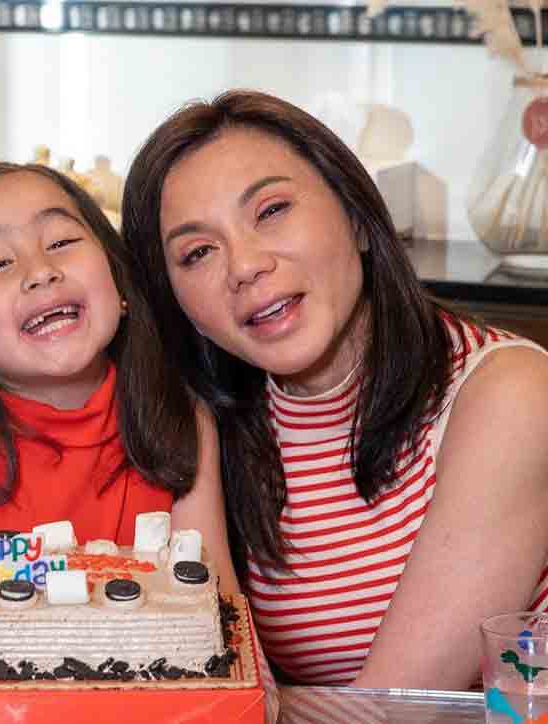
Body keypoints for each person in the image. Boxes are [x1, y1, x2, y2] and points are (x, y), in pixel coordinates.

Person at [121, 89, 548, 690]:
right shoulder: (211, 425)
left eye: (270, 210)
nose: (244, 265)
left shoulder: (508, 392)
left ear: (357, 217)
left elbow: (391, 706)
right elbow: (221, 690)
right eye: (197, 252)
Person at [0, 162, 236, 592]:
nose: (40, 271)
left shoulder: (180, 419)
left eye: (62, 241)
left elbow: (216, 610)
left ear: (118, 281)